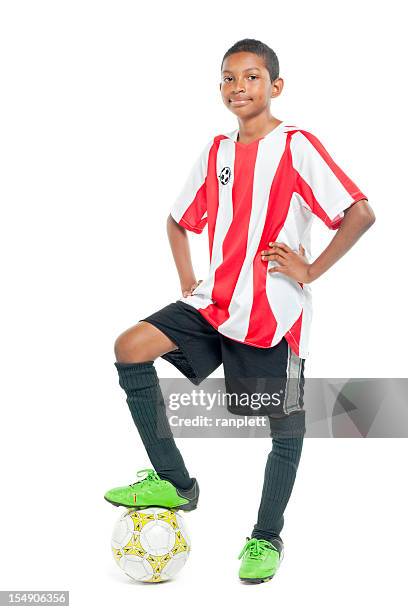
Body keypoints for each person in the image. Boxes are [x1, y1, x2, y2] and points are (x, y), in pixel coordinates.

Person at [104, 38, 375, 583]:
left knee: (284, 425)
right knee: (130, 347)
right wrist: (188, 281)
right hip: (215, 301)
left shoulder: (297, 146)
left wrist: (310, 270)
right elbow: (178, 220)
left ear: (275, 87)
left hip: (271, 310)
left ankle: (265, 536)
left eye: (251, 77)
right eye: (228, 78)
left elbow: (360, 212)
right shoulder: (215, 151)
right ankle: (176, 482)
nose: (238, 87)